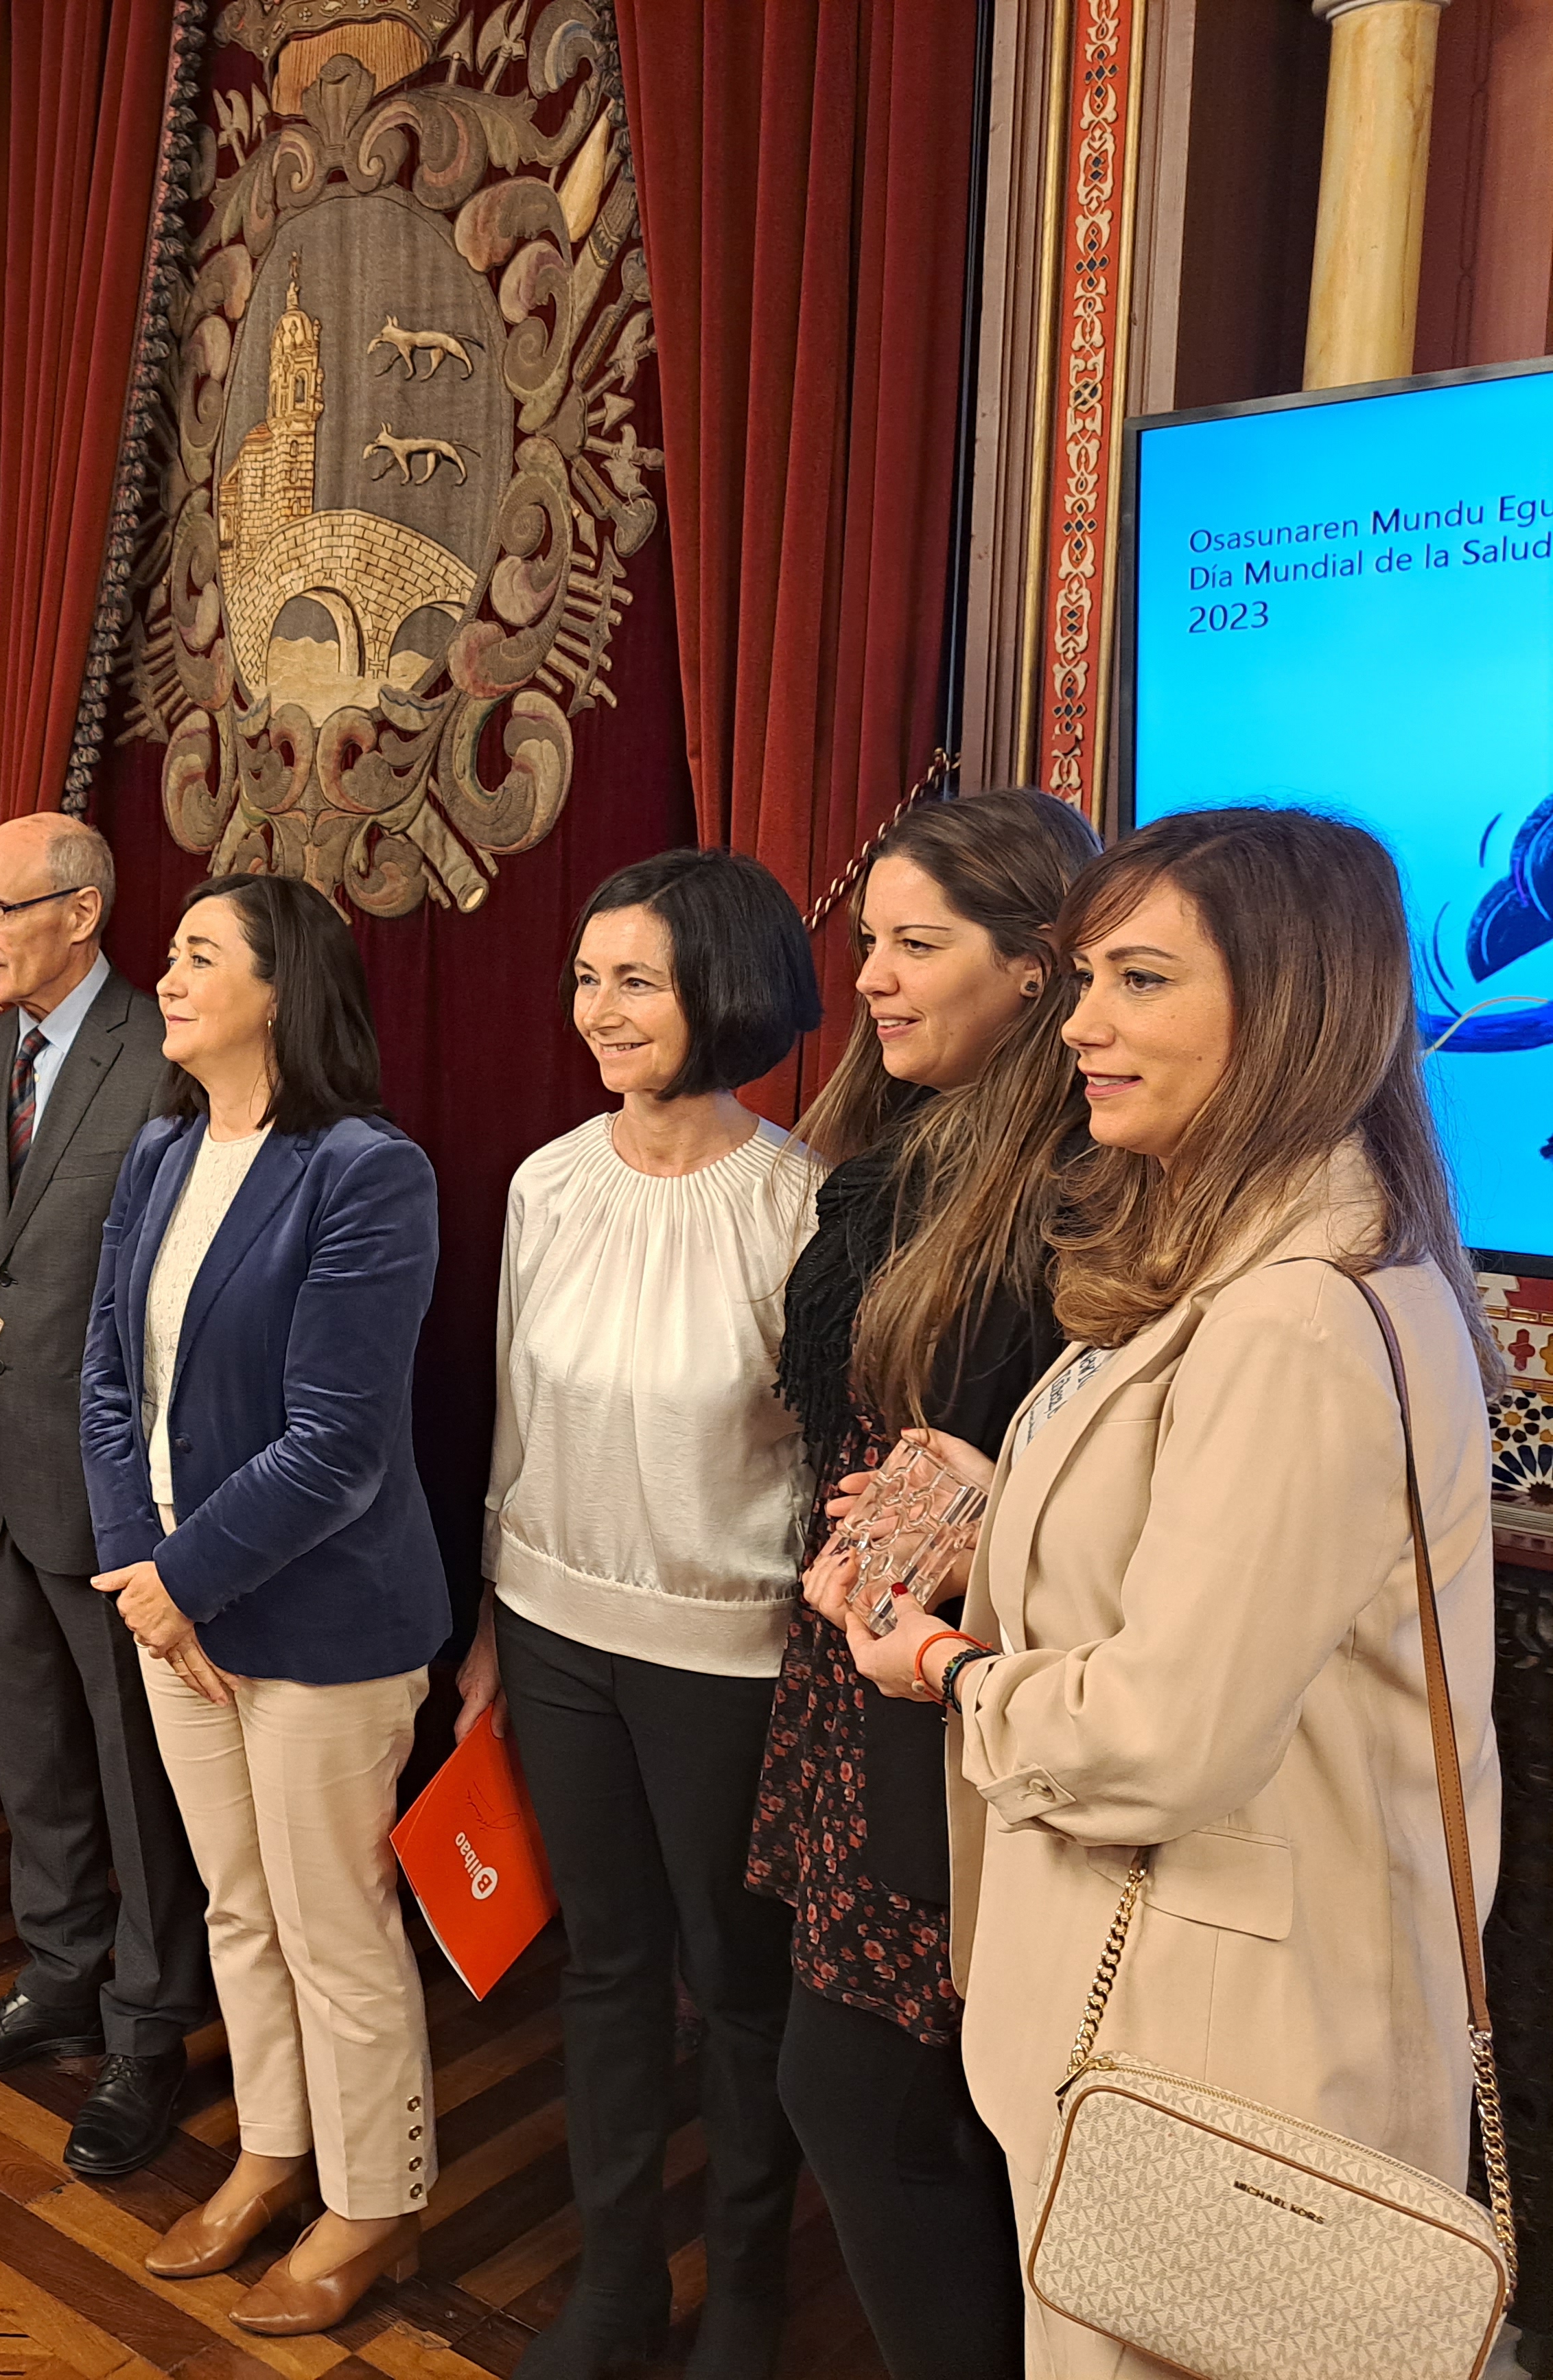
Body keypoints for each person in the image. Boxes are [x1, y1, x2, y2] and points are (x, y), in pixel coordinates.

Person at [817, 808, 1502, 2380]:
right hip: (1173, 2018)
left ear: (1285, 1010)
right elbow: (1200, 1564)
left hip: (1218, 2048)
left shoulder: (1290, 1323)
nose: (1080, 1027)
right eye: (1080, 979)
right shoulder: (1240, 1256)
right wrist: (990, 1506)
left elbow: (1162, 1733)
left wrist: (945, 1666)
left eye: (1135, 980)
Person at [452, 848, 824, 2380]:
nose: (597, 1010)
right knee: (599, 1963)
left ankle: (745, 2287)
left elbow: (822, 1464)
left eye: (636, 981)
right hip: (548, 1629)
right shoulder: (546, 1182)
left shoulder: (796, 1204)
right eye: (587, 977)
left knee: (735, 1987)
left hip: (725, 1650)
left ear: (720, 989)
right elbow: (507, 1415)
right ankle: (615, 2281)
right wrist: (485, 1621)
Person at [742, 790, 1096, 2380]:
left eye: (914, 944)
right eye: (866, 938)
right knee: (896, 2102)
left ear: (1032, 966)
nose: (870, 976)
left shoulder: (1072, 1186)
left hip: (959, 1694)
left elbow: (1101, 1482)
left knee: (879, 2098)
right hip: (863, 1661)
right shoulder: (902, 1145)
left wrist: (990, 1504)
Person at [79, 872, 444, 2337]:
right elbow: (108, 1377)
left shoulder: (365, 1168)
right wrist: (136, 1571)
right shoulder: (159, 1151)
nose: (163, 977)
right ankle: (274, 2153)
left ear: (282, 987)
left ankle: (377, 2203)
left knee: (330, 1922)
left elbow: (338, 1447)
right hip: (171, 1603)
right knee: (239, 1909)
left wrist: (181, 1580)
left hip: (317, 1618)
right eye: (167, 953)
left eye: (196, 956)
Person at [0, 814, 206, 2181]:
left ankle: (149, 2034)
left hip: (119, 1495)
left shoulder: (169, 1054)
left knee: (137, 1777)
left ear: (79, 913)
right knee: (29, 1752)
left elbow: (181, 1294)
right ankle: (55, 1974)